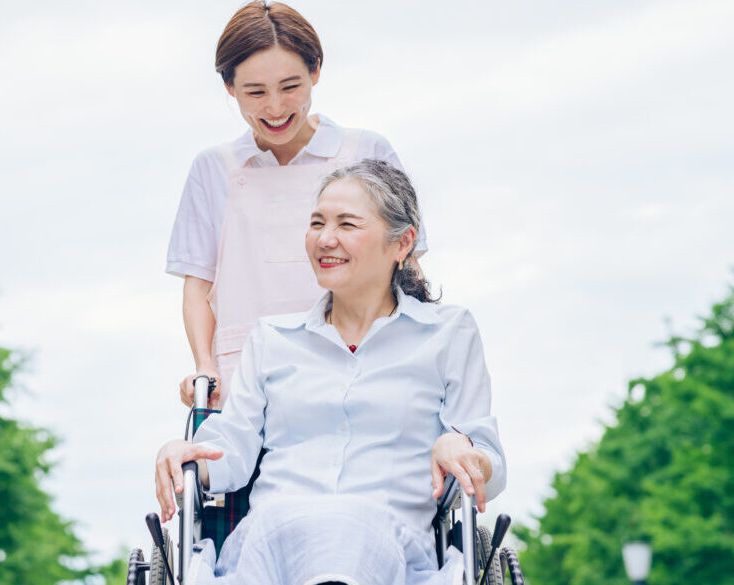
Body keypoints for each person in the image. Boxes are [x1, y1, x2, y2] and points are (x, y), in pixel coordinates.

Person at [155, 160, 505, 585]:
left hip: (390, 546)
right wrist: (184, 455)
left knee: (352, 523)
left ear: (402, 243)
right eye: (317, 223)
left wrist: (462, 447)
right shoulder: (272, 338)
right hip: (274, 542)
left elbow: (491, 464)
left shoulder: (447, 332)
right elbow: (231, 450)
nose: (324, 239)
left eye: (347, 224)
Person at [166, 1, 428, 407]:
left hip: (362, 365)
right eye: (255, 92)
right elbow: (198, 283)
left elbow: (406, 265)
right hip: (247, 375)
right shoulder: (214, 169)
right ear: (229, 87)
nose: (275, 107)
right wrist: (205, 365)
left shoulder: (366, 151)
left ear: (315, 70)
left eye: (290, 87)